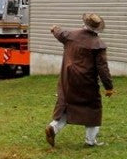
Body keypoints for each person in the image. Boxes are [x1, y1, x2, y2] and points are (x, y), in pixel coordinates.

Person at [45, 13, 114, 149]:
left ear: (85, 23)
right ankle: (90, 141)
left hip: (67, 79)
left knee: (66, 106)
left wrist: (54, 28)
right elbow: (103, 69)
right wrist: (109, 87)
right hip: (87, 82)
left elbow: (59, 32)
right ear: (97, 28)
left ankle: (53, 128)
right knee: (93, 108)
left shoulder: (70, 35)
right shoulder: (98, 45)